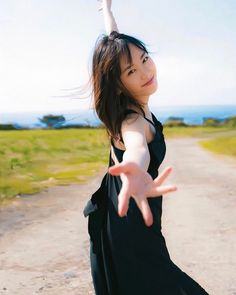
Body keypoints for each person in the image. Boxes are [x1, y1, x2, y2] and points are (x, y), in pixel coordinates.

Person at [83, 1, 209, 294]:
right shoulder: (132, 120)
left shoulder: (136, 105)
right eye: (130, 71)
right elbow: (136, 147)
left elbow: (114, 42)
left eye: (145, 59)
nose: (144, 71)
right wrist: (135, 170)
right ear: (117, 84)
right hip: (129, 220)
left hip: (130, 211)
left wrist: (107, 12)